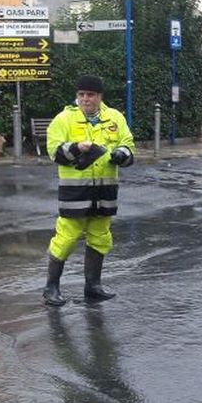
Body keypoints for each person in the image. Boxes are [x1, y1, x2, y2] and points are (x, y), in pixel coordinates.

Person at [42, 75, 135, 306]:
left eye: (90, 95)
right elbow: (54, 152)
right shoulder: (64, 119)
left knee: (100, 238)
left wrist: (122, 154)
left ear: (100, 96)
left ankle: (93, 287)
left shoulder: (115, 118)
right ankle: (51, 287)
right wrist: (76, 147)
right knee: (65, 240)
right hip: (75, 194)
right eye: (81, 94)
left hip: (105, 194)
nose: (85, 99)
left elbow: (128, 144)